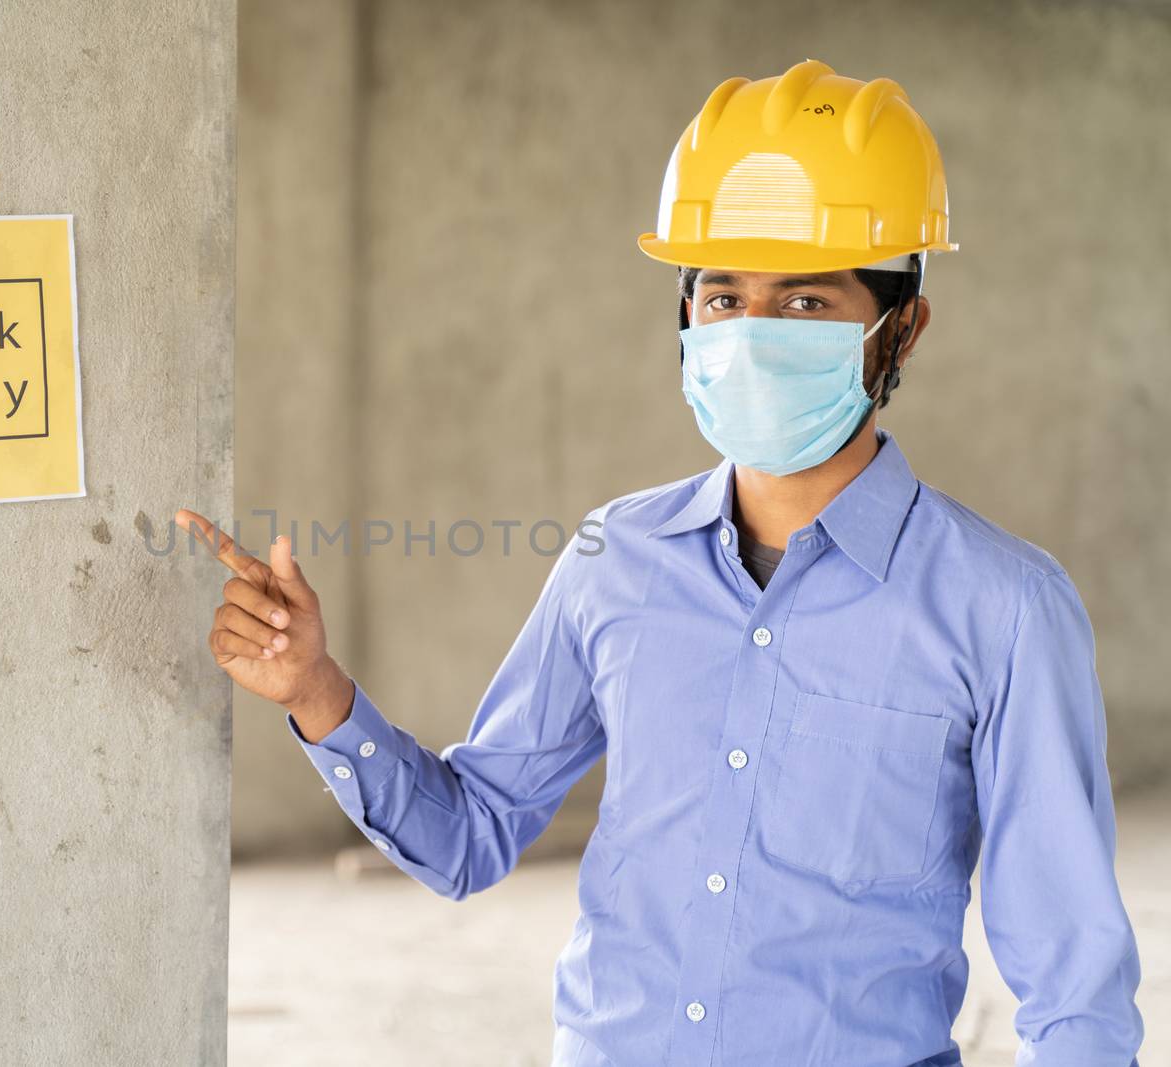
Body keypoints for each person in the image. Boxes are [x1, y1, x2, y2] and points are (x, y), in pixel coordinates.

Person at [176, 59, 1144, 1066]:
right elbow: (469, 838)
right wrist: (315, 689)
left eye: (806, 304)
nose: (753, 335)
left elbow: (1072, 986)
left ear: (901, 326)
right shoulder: (616, 560)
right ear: (685, 320)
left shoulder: (1002, 605)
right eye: (722, 298)